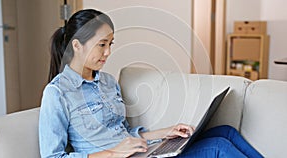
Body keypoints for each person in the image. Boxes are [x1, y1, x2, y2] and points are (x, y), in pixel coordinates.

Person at [39, 9, 263, 158]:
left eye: (111, 44)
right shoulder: (57, 93)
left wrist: (166, 133)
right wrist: (113, 152)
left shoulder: (107, 81)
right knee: (218, 148)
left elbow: (125, 133)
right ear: (77, 45)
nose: (108, 52)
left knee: (226, 131)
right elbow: (53, 156)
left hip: (140, 152)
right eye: (102, 44)